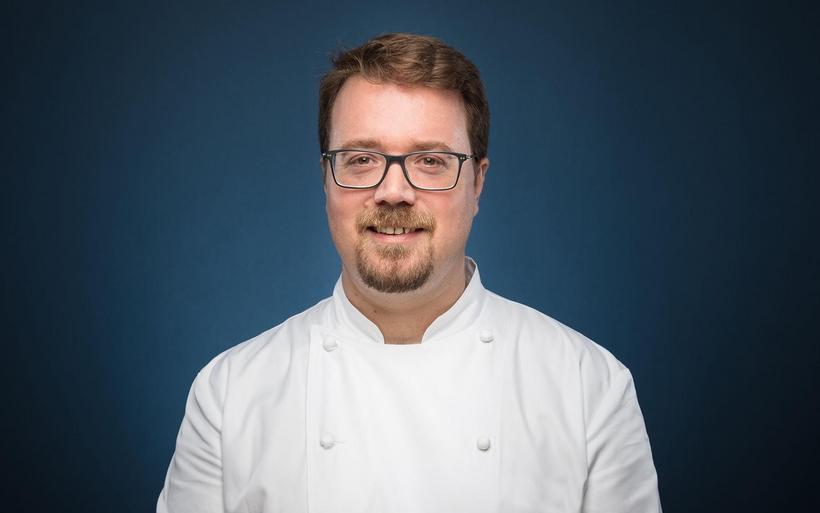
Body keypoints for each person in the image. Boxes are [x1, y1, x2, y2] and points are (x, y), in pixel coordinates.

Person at [157, 33, 661, 513]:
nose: (393, 191)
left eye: (430, 161)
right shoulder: (230, 395)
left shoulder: (589, 388)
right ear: (326, 179)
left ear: (478, 183)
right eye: (361, 159)